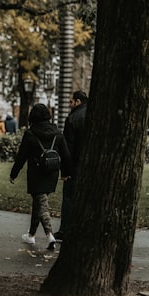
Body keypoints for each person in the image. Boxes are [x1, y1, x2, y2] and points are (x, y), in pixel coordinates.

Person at [9, 103, 71, 251]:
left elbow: (21, 156)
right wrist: (65, 172)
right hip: (52, 173)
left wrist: (14, 173)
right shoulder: (58, 133)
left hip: (36, 173)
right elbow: (66, 155)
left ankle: (50, 235)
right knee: (39, 203)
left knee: (41, 204)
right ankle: (31, 235)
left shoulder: (30, 134)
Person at [56, 90, 88, 242]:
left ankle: (64, 230)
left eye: (71, 102)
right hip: (90, 165)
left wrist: (65, 170)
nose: (69, 105)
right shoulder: (95, 114)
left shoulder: (73, 118)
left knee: (68, 197)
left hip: (75, 165)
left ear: (78, 102)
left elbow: (67, 148)